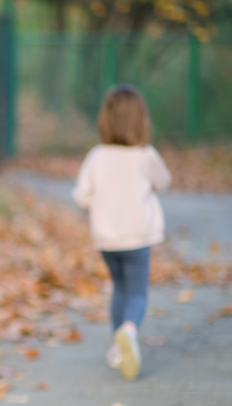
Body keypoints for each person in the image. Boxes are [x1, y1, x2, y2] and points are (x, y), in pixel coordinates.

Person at [72, 84, 172, 380]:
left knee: (119, 288)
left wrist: (99, 203)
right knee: (137, 292)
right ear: (141, 119)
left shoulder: (97, 156)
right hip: (138, 237)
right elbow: (163, 181)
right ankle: (129, 331)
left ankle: (118, 346)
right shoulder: (145, 155)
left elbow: (81, 196)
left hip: (106, 238)